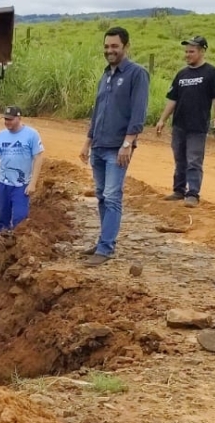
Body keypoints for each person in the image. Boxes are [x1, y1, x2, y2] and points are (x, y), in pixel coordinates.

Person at [79, 26, 150, 267]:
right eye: (107, 46)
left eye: (115, 46)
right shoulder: (106, 75)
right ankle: (103, 241)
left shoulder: (136, 74)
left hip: (117, 148)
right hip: (98, 146)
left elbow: (138, 112)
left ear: (126, 47)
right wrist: (87, 142)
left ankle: (106, 248)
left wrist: (128, 143)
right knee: (101, 196)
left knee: (112, 196)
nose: (110, 50)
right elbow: (97, 112)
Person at [155, 36, 215, 208]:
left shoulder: (212, 73)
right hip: (179, 124)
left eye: (191, 51)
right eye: (186, 52)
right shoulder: (181, 74)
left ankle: (193, 193)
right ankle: (179, 190)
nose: (187, 55)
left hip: (198, 125)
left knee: (194, 160)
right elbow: (173, 99)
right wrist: (162, 119)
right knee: (180, 159)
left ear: (202, 51)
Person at [0, 105, 45, 239]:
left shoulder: (31, 134)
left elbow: (38, 158)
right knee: (2, 216)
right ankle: (2, 242)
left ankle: (18, 243)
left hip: (22, 185)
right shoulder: (1, 136)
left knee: (20, 217)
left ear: (19, 118)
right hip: (2, 183)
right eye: (5, 119)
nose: (7, 122)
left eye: (10, 119)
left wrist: (33, 183)